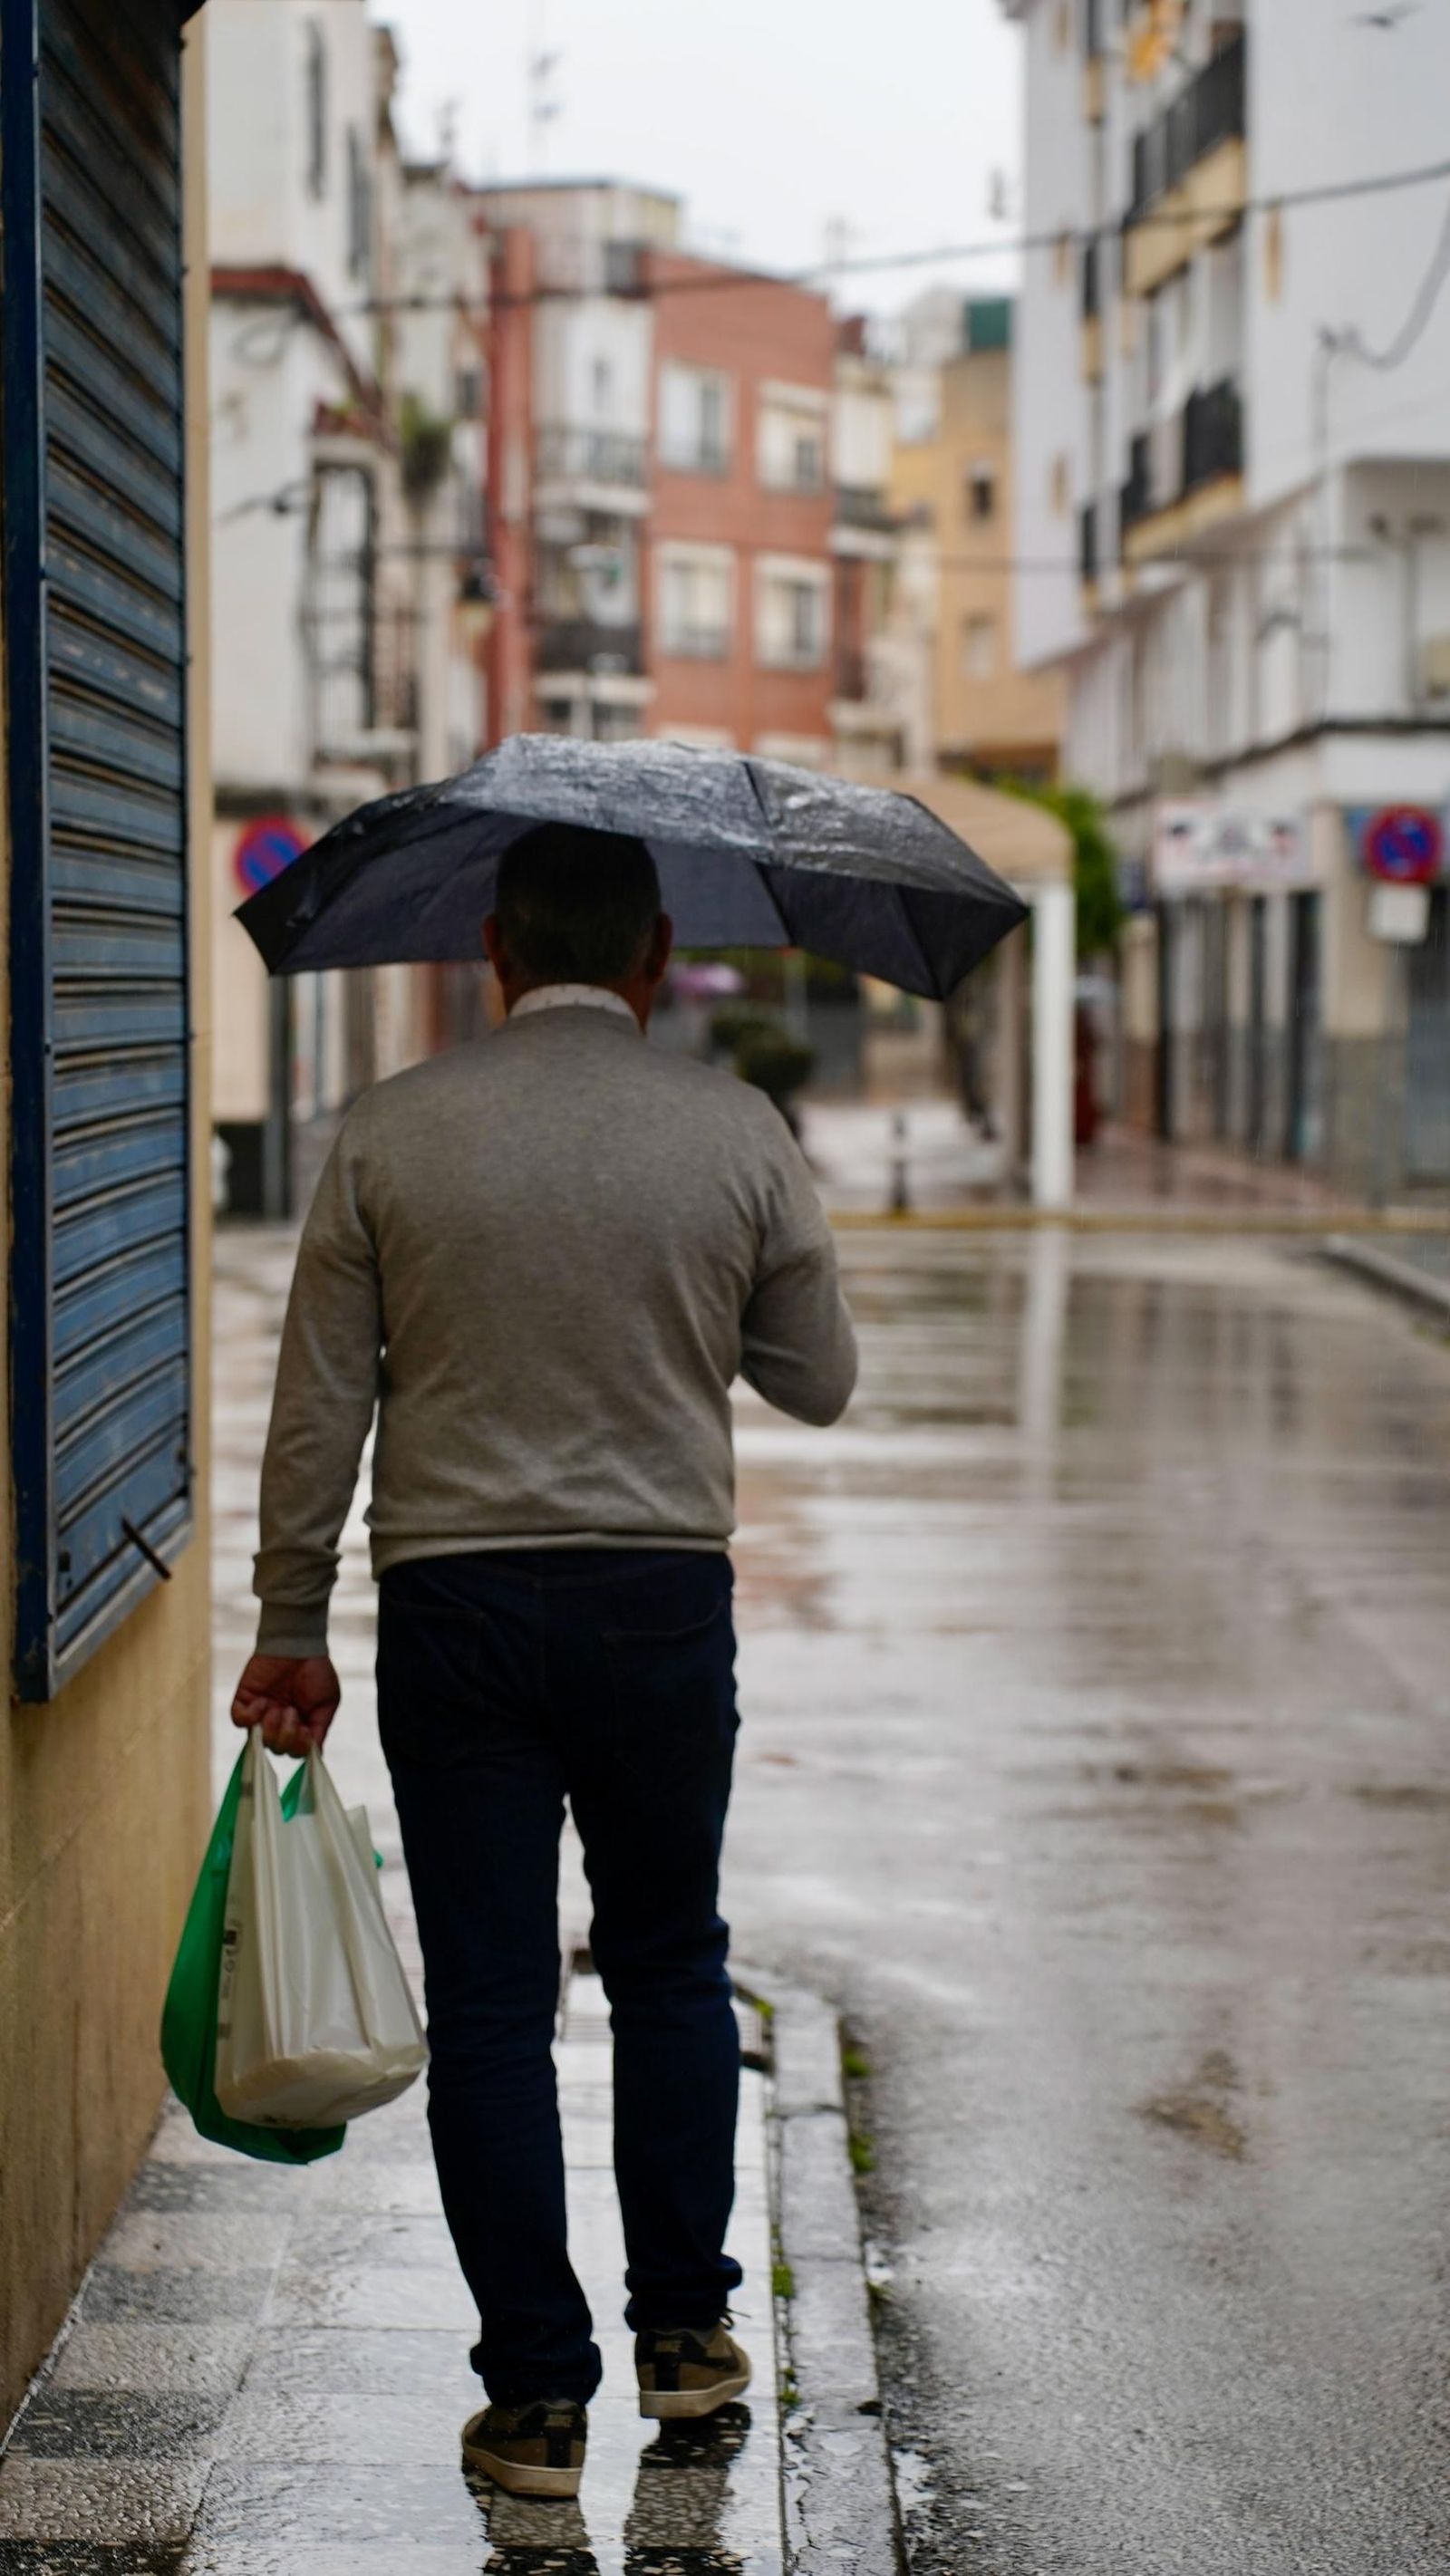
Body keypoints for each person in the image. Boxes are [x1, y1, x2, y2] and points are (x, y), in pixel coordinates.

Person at [230, 823, 857, 2502]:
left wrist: (292, 1618)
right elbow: (821, 1379)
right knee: (668, 1965)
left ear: (494, 951)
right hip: (658, 1606)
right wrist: (699, 1285)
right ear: (656, 955)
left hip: (457, 1612)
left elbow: (319, 1410)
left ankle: (533, 2398)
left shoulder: (391, 1132)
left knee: (495, 2008)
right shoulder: (734, 1130)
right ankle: (685, 2335)